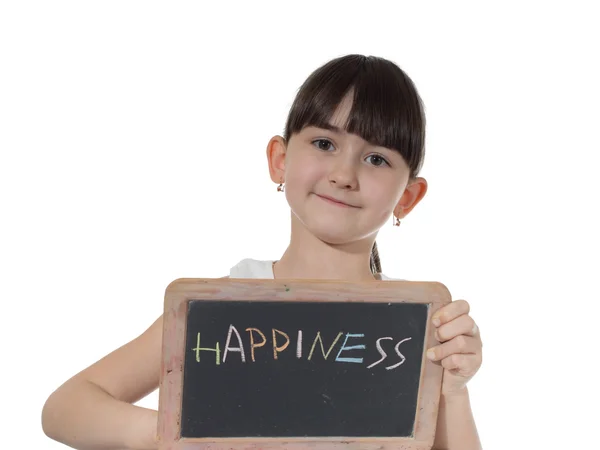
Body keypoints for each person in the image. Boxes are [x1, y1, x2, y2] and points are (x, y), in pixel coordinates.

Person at [42, 54, 483, 450]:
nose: (344, 174)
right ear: (280, 159)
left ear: (408, 196)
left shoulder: (416, 333)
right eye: (324, 144)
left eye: (376, 159)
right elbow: (65, 407)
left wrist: (454, 389)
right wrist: (167, 435)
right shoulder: (220, 308)